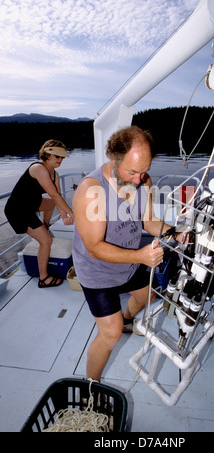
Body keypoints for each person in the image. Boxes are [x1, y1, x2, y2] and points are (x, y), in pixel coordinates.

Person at [72, 126, 176, 382]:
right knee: (111, 334)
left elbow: (149, 221)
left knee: (147, 295)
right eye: (132, 172)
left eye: (143, 171)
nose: (140, 179)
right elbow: (95, 247)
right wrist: (141, 257)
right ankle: (91, 388)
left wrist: (175, 231)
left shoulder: (143, 180)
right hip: (98, 271)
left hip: (130, 261)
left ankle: (128, 318)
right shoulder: (90, 191)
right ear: (114, 158)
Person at [5, 139, 75, 288]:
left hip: (32, 204)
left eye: (62, 157)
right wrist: (72, 214)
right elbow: (55, 196)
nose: (61, 160)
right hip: (18, 210)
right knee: (46, 241)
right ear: (47, 155)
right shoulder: (38, 168)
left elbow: (57, 198)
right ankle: (43, 278)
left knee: (50, 204)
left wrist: (64, 215)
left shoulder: (54, 174)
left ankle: (45, 225)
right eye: (57, 156)